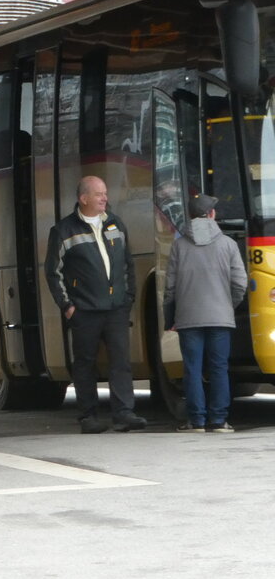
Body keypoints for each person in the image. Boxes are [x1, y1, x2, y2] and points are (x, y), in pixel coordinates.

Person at [44, 175, 147, 434]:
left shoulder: (115, 224)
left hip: (116, 308)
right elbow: (53, 273)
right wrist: (68, 306)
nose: (105, 198)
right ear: (84, 199)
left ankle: (124, 413)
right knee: (85, 364)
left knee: (121, 361)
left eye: (105, 193)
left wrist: (128, 297)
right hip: (85, 311)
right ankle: (88, 416)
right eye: (99, 194)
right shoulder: (63, 231)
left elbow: (127, 263)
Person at [163, 193, 247, 433]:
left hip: (189, 319)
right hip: (220, 317)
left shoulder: (179, 245)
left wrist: (171, 317)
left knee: (192, 368)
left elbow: (170, 287)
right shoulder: (228, 244)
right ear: (211, 214)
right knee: (219, 367)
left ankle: (196, 420)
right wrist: (227, 305)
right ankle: (219, 420)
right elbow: (240, 283)